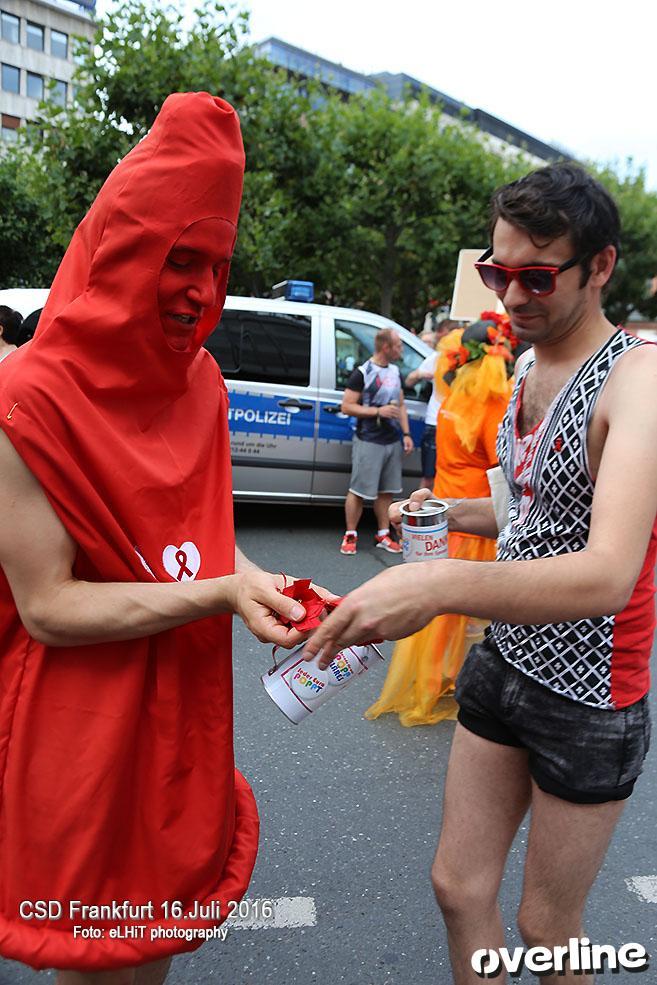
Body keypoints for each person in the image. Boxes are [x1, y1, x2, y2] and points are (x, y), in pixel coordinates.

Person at [0, 92, 335, 985]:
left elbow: (197, 546)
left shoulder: (203, 385)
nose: (201, 291)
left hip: (179, 725)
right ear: (120, 248)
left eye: (218, 266)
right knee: (98, 966)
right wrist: (222, 592)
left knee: (151, 959)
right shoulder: (26, 398)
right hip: (79, 735)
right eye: (179, 259)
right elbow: (50, 607)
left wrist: (264, 585)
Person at [304, 162, 657, 984]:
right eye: (500, 273)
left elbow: (608, 569)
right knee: (458, 888)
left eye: (536, 276)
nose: (512, 296)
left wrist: (432, 587)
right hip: (505, 659)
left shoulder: (636, 382)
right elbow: (531, 516)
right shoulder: (524, 374)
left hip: (588, 693)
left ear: (598, 267)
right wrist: (443, 515)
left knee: (545, 925)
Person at [366, 315, 520, 726]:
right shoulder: (491, 404)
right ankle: (445, 679)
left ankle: (435, 678)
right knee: (462, 607)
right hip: (474, 511)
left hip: (445, 506)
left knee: (438, 603)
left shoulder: (451, 397)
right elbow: (503, 466)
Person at [339, 327, 414, 555]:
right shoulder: (363, 372)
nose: (401, 350)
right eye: (398, 346)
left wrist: (406, 434)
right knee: (359, 490)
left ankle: (383, 534)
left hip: (391, 440)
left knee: (386, 492)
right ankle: (350, 534)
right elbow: (347, 406)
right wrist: (377, 411)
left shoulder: (394, 372)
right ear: (386, 347)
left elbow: (400, 405)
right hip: (368, 438)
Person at [407, 319, 461, 488]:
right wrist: (420, 375)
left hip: (458, 425)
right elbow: (409, 381)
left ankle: (443, 513)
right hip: (435, 423)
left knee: (450, 477)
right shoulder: (436, 359)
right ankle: (421, 513)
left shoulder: (467, 361)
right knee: (429, 477)